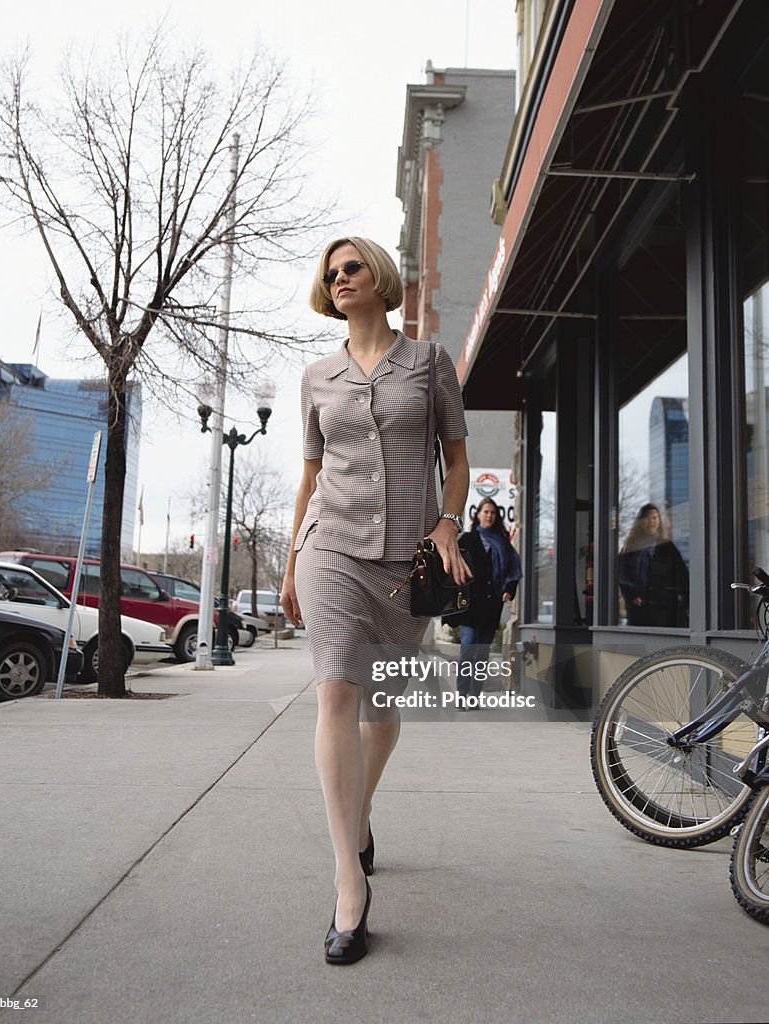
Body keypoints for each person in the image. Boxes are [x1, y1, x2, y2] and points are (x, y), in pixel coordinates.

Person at [280, 237, 471, 964]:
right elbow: (309, 476)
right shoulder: (316, 376)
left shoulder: (427, 363)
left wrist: (447, 521)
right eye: (330, 275)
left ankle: (356, 817)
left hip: (405, 559)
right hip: (329, 546)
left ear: (378, 277)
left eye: (350, 267)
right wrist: (294, 560)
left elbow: (454, 459)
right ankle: (346, 881)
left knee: (380, 708)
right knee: (335, 693)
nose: (339, 279)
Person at [455, 498, 522, 709]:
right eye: (486, 511)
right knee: (468, 648)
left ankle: (473, 698)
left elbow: (514, 569)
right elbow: (453, 564)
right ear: (478, 514)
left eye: (493, 512)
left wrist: (509, 590)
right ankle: (461, 695)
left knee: (482, 653)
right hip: (470, 603)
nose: (489, 515)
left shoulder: (502, 542)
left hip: (492, 604)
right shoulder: (467, 539)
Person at [618, 503, 689, 627]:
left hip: (664, 610)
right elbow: (622, 574)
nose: (652, 521)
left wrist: (686, 602)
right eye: (648, 518)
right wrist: (632, 596)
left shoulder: (667, 547)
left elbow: (681, 575)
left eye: (655, 518)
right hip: (639, 609)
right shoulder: (632, 547)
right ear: (640, 521)